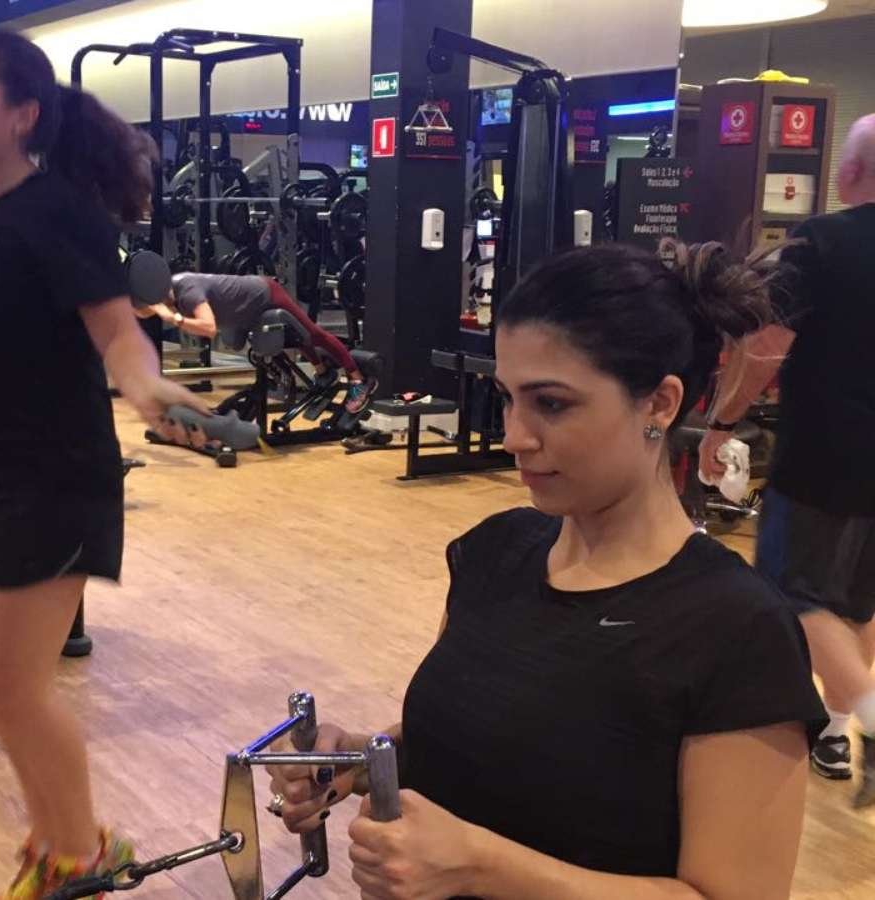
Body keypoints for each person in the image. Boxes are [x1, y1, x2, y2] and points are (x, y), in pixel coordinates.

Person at [270, 241, 826, 899]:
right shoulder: (495, 552)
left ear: (659, 403)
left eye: (552, 404)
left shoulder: (738, 629)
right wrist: (361, 760)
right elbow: (487, 743)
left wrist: (478, 863)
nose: (514, 435)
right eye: (508, 398)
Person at [0, 29, 208, 900]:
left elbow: (119, 334)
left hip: (55, 479)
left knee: (15, 686)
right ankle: (69, 841)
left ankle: (77, 860)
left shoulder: (59, 211)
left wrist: (148, 389)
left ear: (23, 115)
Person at [700, 114, 875, 807]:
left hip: (830, 454)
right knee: (855, 603)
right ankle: (833, 729)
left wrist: (721, 423)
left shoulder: (823, 241)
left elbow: (768, 346)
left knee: (791, 595)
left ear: (848, 172)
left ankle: (867, 716)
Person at [136, 271, 378, 414]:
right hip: (245, 311)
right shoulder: (167, 291)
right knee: (292, 335)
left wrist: (174, 318)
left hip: (265, 293)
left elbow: (208, 329)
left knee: (311, 333)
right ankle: (323, 371)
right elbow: (145, 311)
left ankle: (358, 380)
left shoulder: (188, 290)